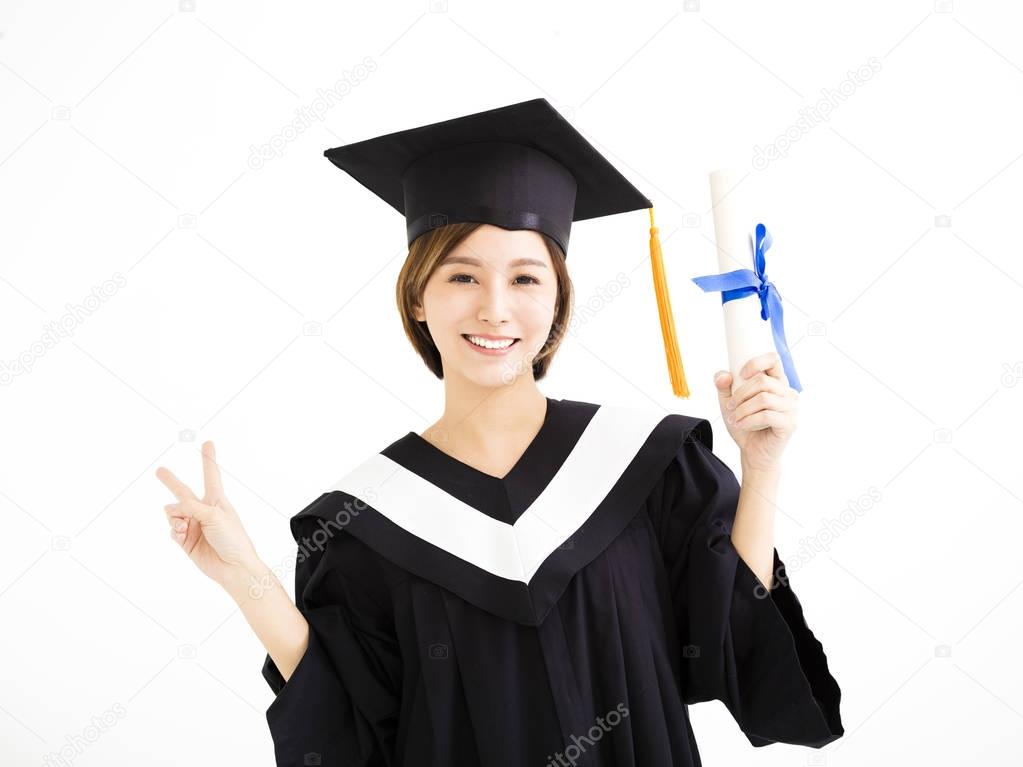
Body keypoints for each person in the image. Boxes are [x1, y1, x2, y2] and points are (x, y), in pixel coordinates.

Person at [156, 98, 843, 766]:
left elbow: (736, 642)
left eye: (524, 277)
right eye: (461, 275)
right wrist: (246, 579)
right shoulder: (364, 523)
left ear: (557, 298)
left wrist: (760, 466)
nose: (494, 308)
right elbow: (350, 735)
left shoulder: (646, 468)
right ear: (419, 297)